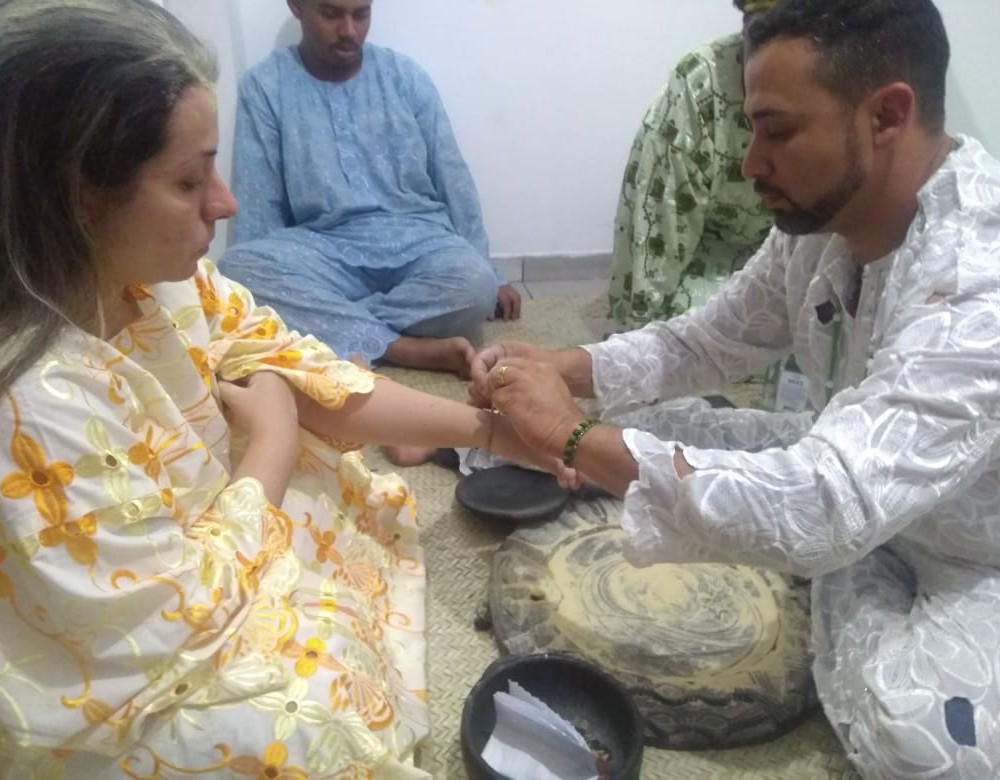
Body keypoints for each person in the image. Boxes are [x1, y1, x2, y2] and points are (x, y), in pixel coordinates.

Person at [0, 1, 550, 775]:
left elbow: (298, 362)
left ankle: (391, 350)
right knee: (312, 728)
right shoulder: (33, 400)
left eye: (361, 12)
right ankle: (400, 345)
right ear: (80, 197)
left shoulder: (171, 281)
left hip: (410, 247)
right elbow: (167, 621)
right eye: (190, 179)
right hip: (155, 625)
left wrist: (491, 430)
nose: (220, 201)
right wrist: (272, 441)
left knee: (343, 463)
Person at [471, 0, 1000, 776]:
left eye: (777, 132)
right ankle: (816, 551)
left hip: (969, 558)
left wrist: (571, 435)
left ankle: (828, 574)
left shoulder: (978, 280)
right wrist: (561, 367)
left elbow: (827, 497)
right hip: (842, 470)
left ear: (887, 115)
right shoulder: (824, 224)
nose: (752, 162)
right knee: (679, 425)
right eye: (753, 129)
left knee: (926, 741)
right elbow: (704, 340)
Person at [218, 0, 521, 378]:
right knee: (237, 271)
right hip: (324, 248)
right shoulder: (266, 87)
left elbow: (452, 176)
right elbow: (257, 205)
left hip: (419, 242)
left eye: (361, 14)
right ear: (297, 6)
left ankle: (336, 325)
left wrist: (492, 273)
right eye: (331, 14)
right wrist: (258, 286)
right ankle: (402, 347)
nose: (349, 31)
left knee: (474, 286)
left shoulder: (405, 77)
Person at [607, 0, 775, 326]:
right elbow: (657, 236)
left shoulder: (847, 90)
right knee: (696, 326)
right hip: (707, 257)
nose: (752, 165)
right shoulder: (701, 86)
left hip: (793, 261)